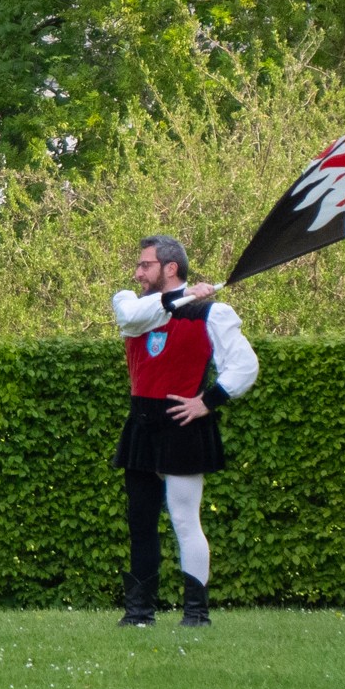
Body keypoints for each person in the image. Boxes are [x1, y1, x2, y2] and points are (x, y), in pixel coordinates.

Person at [109, 235, 259, 627]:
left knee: (184, 519)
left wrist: (207, 401)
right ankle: (139, 614)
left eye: (145, 265)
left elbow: (245, 366)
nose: (138, 273)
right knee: (140, 521)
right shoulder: (130, 303)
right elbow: (132, 318)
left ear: (170, 267)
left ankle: (196, 614)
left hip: (182, 423)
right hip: (142, 423)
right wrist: (183, 296)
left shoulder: (212, 313)